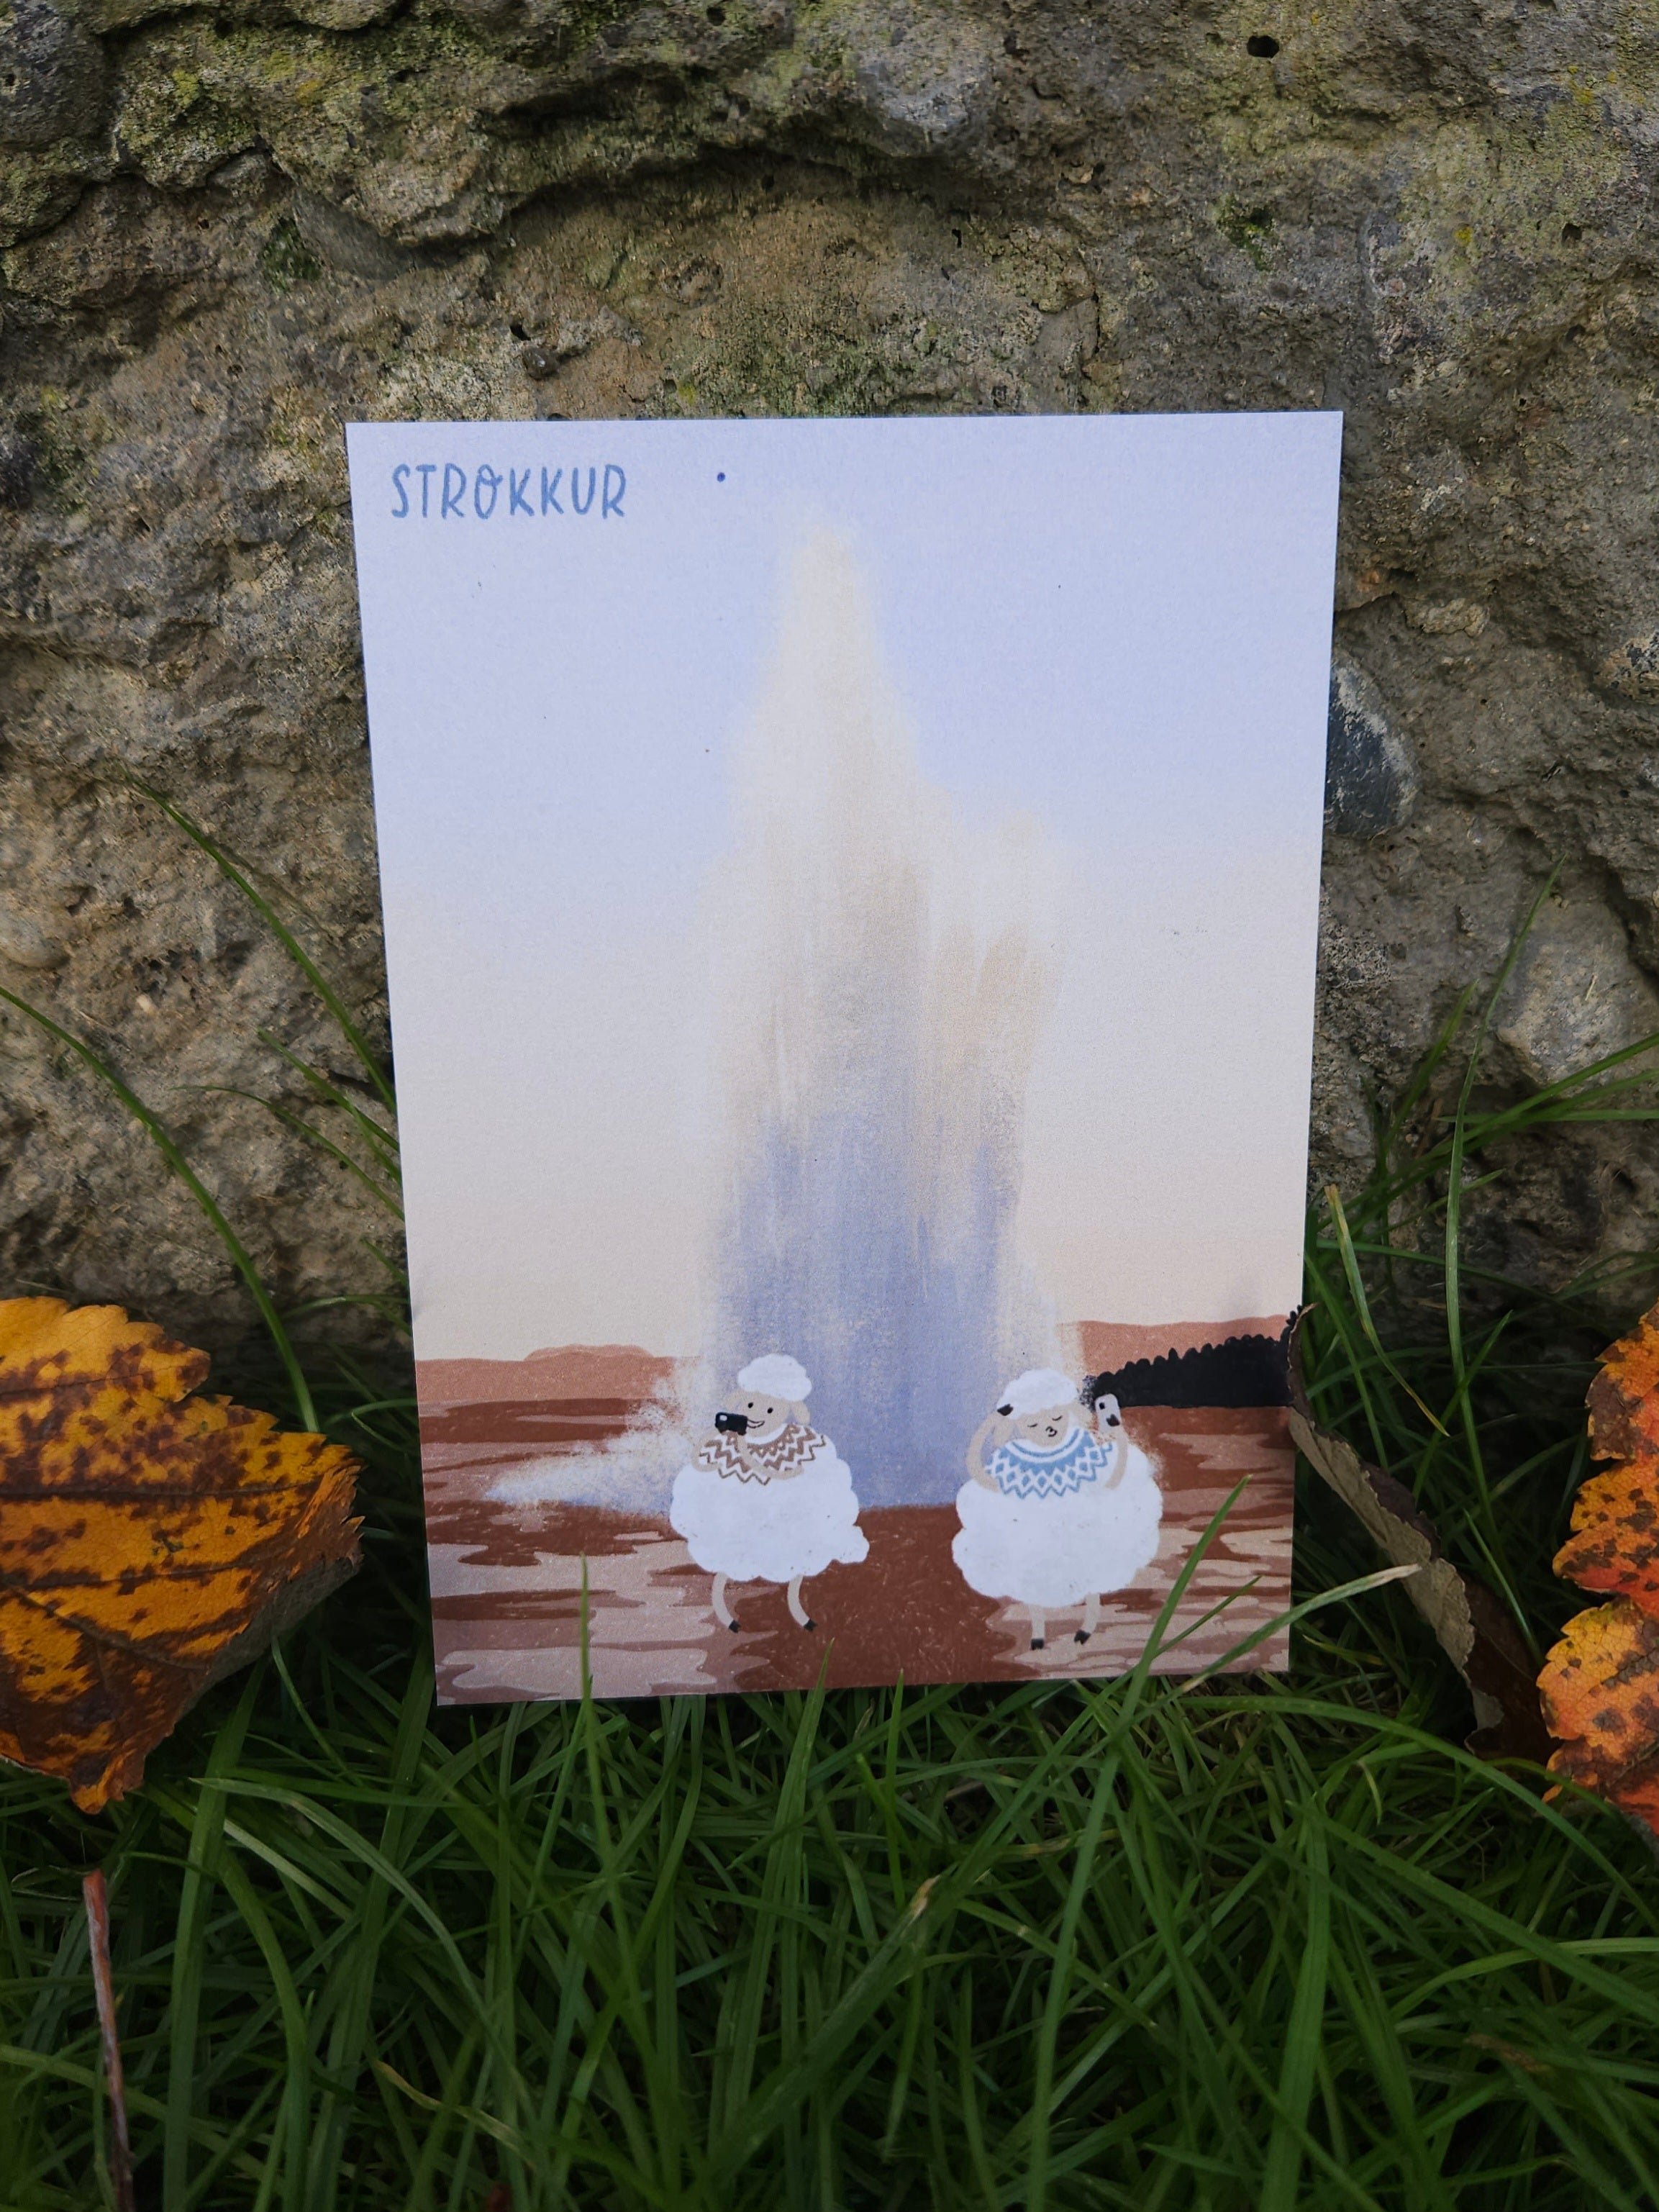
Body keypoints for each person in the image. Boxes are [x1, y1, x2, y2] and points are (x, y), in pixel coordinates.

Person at [953, 1367, 1162, 1649]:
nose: (1048, 1428)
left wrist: (1119, 1436)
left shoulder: (1080, 1444)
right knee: (1032, 1576)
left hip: (1080, 1526)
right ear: (1019, 1425)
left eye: (1057, 1418)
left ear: (1067, 1412)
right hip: (1035, 1531)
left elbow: (1112, 1478)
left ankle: (1089, 1623)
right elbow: (979, 1472)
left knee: (1090, 1569)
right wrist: (994, 1419)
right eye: (1033, 1425)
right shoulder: (1013, 1456)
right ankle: (1038, 1631)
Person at [670, 1354, 868, 1631]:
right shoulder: (730, 1441)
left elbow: (811, 1473)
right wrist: (720, 1436)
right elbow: (701, 1462)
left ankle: (795, 1606)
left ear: (789, 1409)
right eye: (751, 1405)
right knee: (726, 1553)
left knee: (796, 1552)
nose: (757, 1415)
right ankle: (724, 1609)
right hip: (737, 1516)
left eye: (771, 1409)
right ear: (742, 1401)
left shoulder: (800, 1443)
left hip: (784, 1516)